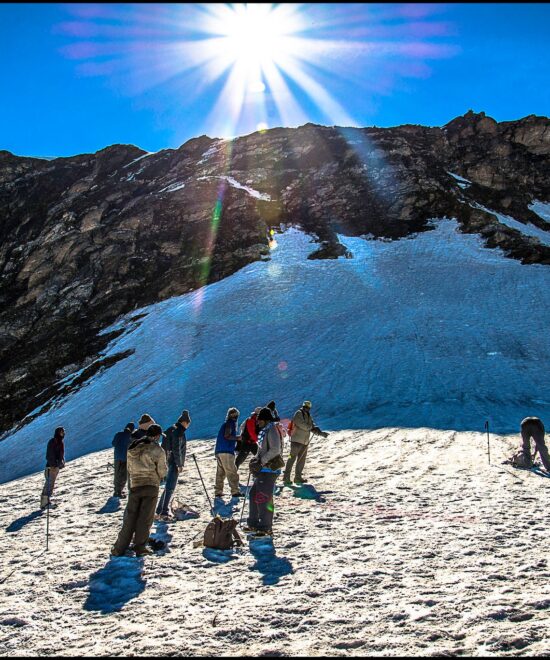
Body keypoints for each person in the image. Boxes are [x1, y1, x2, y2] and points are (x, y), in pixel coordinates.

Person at [111, 424, 167, 557]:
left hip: (135, 485)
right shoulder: (157, 449)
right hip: (150, 485)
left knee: (130, 517)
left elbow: (129, 468)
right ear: (157, 436)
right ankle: (140, 547)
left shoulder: (133, 446)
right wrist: (160, 477)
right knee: (145, 518)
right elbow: (162, 470)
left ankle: (119, 547)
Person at [244, 407, 285, 536]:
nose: (257, 422)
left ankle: (265, 527)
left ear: (265, 420)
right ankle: (253, 523)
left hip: (269, 469)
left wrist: (260, 461)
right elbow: (262, 449)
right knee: (253, 494)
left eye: (259, 420)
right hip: (264, 469)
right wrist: (255, 460)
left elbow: (275, 450)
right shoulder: (266, 430)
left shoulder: (272, 430)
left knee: (263, 498)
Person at [156, 410, 191, 520]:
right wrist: (179, 464)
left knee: (167, 487)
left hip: (167, 461)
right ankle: (164, 511)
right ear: (184, 422)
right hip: (174, 463)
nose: (188, 426)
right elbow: (177, 449)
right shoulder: (179, 432)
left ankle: (160, 509)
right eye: (188, 423)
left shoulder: (170, 429)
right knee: (170, 487)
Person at [283, 400, 328, 486]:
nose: (307, 408)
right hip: (296, 441)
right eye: (306, 407)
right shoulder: (298, 413)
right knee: (291, 458)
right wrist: (312, 427)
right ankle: (286, 477)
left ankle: (298, 477)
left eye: (308, 407)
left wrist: (319, 432)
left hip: (304, 442)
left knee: (301, 460)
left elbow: (311, 425)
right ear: (304, 407)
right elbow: (302, 425)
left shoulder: (308, 415)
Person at [214, 407, 243, 499]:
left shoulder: (225, 424)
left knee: (220, 472)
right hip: (226, 451)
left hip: (219, 450)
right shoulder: (230, 424)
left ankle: (218, 491)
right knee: (231, 471)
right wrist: (238, 438)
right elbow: (227, 436)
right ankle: (235, 491)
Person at [40, 427, 66, 509]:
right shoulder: (53, 441)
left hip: (55, 467)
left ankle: (46, 502)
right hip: (51, 467)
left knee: (50, 484)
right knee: (49, 484)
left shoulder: (60, 442)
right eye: (62, 432)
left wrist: (61, 462)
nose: (63, 433)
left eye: (64, 432)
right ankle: (44, 503)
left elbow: (60, 455)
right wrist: (54, 464)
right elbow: (49, 455)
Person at [112, 422, 135, 497]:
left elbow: (113, 443)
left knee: (117, 474)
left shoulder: (118, 434)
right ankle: (120, 491)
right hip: (125, 458)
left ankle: (116, 491)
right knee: (123, 475)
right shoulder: (131, 437)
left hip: (117, 457)